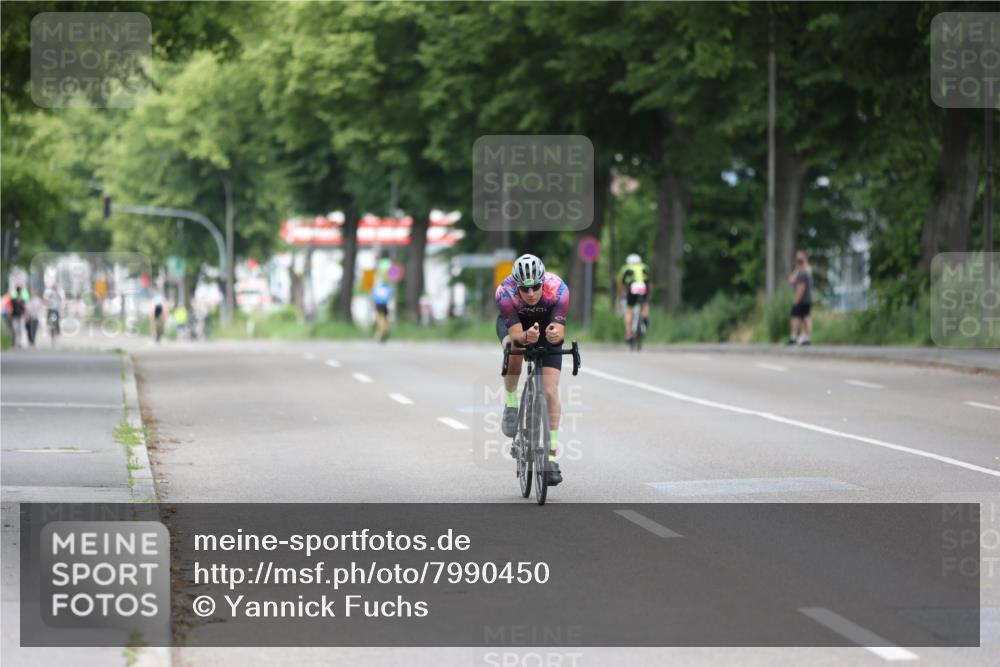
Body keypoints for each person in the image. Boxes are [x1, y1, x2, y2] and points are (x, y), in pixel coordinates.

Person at [495, 253, 570, 486]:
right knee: (514, 346)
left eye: (535, 287)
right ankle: (511, 403)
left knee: (549, 391)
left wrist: (554, 334)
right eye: (524, 289)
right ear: (516, 285)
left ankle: (551, 458)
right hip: (516, 325)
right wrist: (526, 336)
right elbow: (517, 332)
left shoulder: (558, 289)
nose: (530, 294)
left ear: (542, 282)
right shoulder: (505, 292)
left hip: (547, 324)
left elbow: (559, 331)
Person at [617, 253, 652, 344]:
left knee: (629, 310)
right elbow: (649, 281)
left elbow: (621, 283)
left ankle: (629, 334)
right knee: (645, 304)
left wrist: (622, 294)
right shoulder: (644, 267)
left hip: (632, 288)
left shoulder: (626, 268)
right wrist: (648, 294)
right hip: (643, 287)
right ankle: (644, 317)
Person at [788, 249, 813, 346]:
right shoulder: (801, 270)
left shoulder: (805, 270)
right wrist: (797, 269)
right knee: (804, 318)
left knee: (799, 317)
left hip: (803, 298)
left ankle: (798, 337)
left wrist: (796, 299)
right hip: (805, 298)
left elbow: (801, 287)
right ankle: (804, 337)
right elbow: (791, 280)